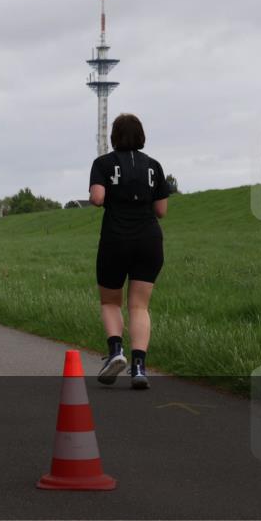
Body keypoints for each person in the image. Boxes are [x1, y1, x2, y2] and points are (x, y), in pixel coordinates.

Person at [89, 113, 170, 390]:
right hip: (148, 239)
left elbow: (98, 199)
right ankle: (139, 367)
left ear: (113, 137)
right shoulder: (154, 166)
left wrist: (98, 194)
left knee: (111, 302)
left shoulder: (103, 163)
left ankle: (115, 351)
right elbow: (161, 211)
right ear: (141, 136)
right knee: (139, 306)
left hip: (115, 238)